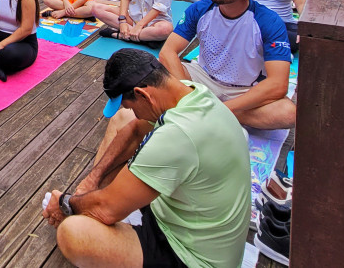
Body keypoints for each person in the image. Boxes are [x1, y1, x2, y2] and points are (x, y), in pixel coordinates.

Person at [43, 48, 250, 268]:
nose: (135, 113)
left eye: (130, 104)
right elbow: (133, 130)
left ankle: (102, 203)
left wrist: (66, 203)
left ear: (142, 94)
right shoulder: (193, 92)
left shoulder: (177, 135)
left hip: (191, 256)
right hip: (191, 222)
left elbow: (106, 210)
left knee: (72, 233)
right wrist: (93, 179)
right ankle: (101, 196)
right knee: (124, 120)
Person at [158, 0, 295, 129]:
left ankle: (207, 112)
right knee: (154, 74)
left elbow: (278, 84)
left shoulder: (268, 21)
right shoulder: (200, 9)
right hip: (203, 78)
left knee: (288, 113)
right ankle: (203, 109)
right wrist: (187, 93)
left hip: (245, 89)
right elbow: (168, 52)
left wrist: (221, 109)